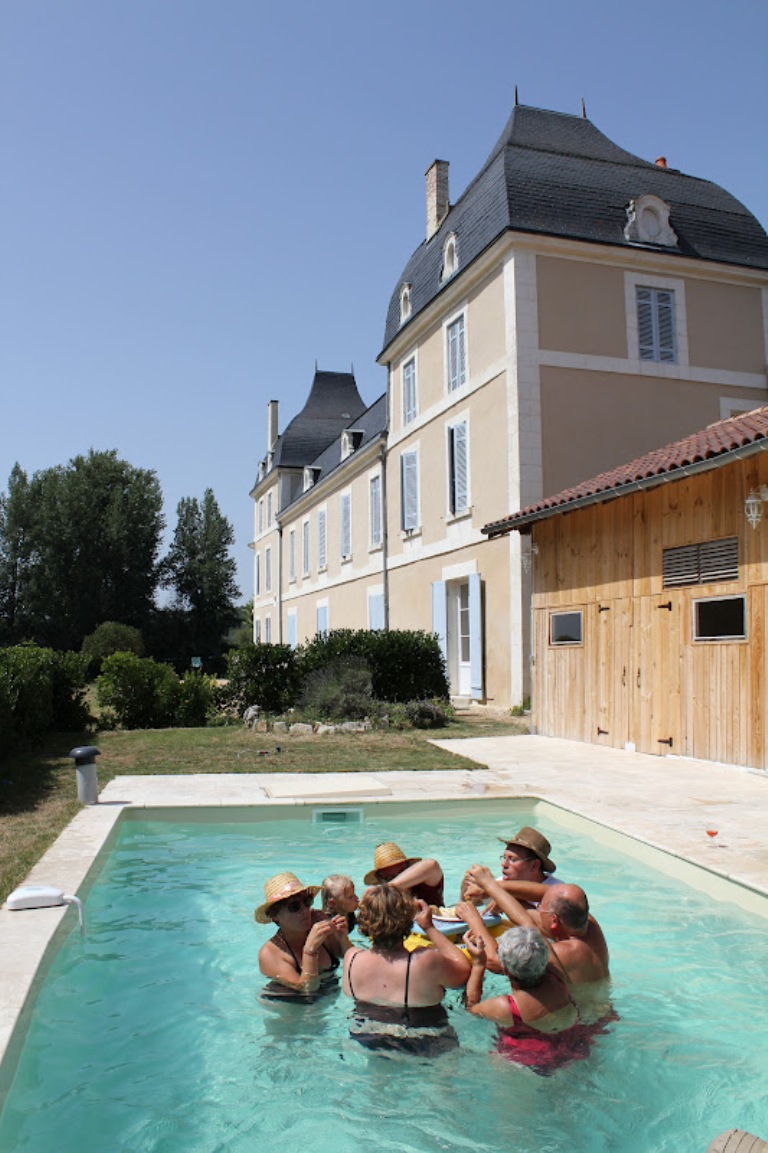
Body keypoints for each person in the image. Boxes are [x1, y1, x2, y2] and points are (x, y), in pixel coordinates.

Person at [462, 922, 605, 1076]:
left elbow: (471, 1007)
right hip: (575, 1049)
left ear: (504, 969)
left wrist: (478, 964)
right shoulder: (557, 974)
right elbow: (538, 936)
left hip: (526, 1064)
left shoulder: (505, 1007)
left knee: (495, 1061)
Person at [343, 884, 470, 1054]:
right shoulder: (423, 960)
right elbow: (463, 971)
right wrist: (429, 927)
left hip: (367, 1039)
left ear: (364, 919)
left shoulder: (351, 959)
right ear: (408, 919)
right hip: (425, 1041)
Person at [463, 868, 610, 985]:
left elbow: (494, 961)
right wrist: (497, 888)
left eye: (540, 908)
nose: (537, 909)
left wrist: (475, 921)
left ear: (554, 920)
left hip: (580, 1021)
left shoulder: (562, 954)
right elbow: (545, 894)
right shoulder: (588, 923)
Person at [256, 872, 351, 999]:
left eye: (307, 901)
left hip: (330, 997)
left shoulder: (317, 919)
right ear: (275, 917)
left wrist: (342, 938)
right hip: (292, 1007)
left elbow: (346, 956)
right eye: (294, 907)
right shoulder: (270, 953)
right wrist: (310, 950)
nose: (305, 910)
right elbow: (307, 990)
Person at [461, 826, 559, 907]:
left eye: (512, 859)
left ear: (534, 865)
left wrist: (503, 895)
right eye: (504, 858)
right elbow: (475, 902)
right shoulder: (502, 882)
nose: (503, 864)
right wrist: (467, 887)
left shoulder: (558, 891)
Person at [363, 842, 445, 906]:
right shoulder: (382, 901)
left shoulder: (423, 883)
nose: (400, 880)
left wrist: (387, 887)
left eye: (401, 874)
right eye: (390, 877)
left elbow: (432, 865)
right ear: (380, 879)